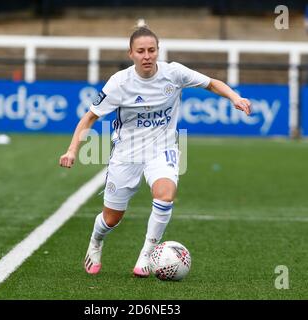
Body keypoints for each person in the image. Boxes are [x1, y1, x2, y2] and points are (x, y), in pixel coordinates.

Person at [59, 25, 251, 277]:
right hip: (127, 155)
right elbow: (89, 118)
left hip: (163, 150)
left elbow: (211, 83)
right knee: (111, 219)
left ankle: (146, 255)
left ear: (158, 51)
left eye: (151, 50)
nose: (147, 55)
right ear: (131, 54)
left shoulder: (174, 73)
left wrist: (234, 97)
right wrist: (72, 150)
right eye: (141, 51)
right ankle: (96, 242)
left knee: (165, 195)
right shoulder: (120, 83)